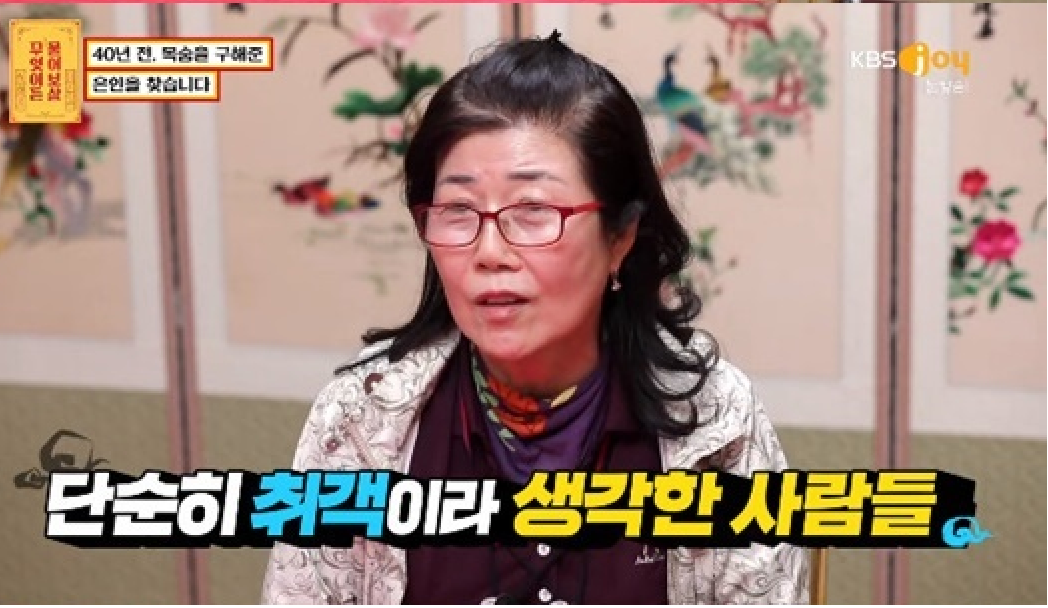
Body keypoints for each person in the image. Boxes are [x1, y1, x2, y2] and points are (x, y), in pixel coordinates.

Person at [261, 31, 808, 605]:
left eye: (533, 211)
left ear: (620, 237)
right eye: (458, 210)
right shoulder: (359, 420)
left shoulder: (714, 421)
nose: (490, 252)